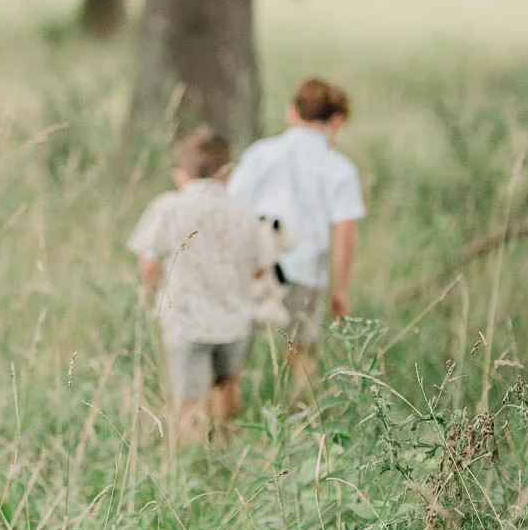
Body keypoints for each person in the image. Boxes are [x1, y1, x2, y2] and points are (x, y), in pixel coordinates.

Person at [128, 131, 268, 443]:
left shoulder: (166, 207)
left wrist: (155, 290)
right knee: (227, 385)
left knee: (189, 400)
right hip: (233, 319)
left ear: (179, 175)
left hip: (185, 320)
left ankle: (193, 460)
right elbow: (260, 268)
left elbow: (149, 264)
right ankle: (227, 447)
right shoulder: (243, 212)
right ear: (228, 174)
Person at [228, 77, 366, 368]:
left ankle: (224, 412)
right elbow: (345, 230)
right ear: (338, 120)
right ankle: (303, 410)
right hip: (305, 269)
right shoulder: (339, 168)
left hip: (255, 267)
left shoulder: (260, 154)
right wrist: (340, 289)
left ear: (292, 113)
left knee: (235, 352)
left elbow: (231, 206)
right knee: (301, 351)